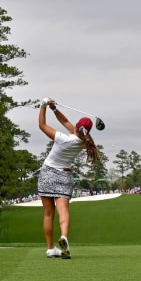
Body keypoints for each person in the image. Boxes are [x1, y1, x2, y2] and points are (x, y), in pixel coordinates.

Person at [38, 97, 99, 259]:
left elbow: (42, 126)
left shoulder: (63, 139)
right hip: (65, 175)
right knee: (63, 210)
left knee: (48, 213)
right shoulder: (83, 142)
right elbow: (65, 122)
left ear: (77, 127)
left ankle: (51, 248)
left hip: (47, 174)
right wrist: (54, 109)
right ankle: (64, 236)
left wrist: (43, 106)